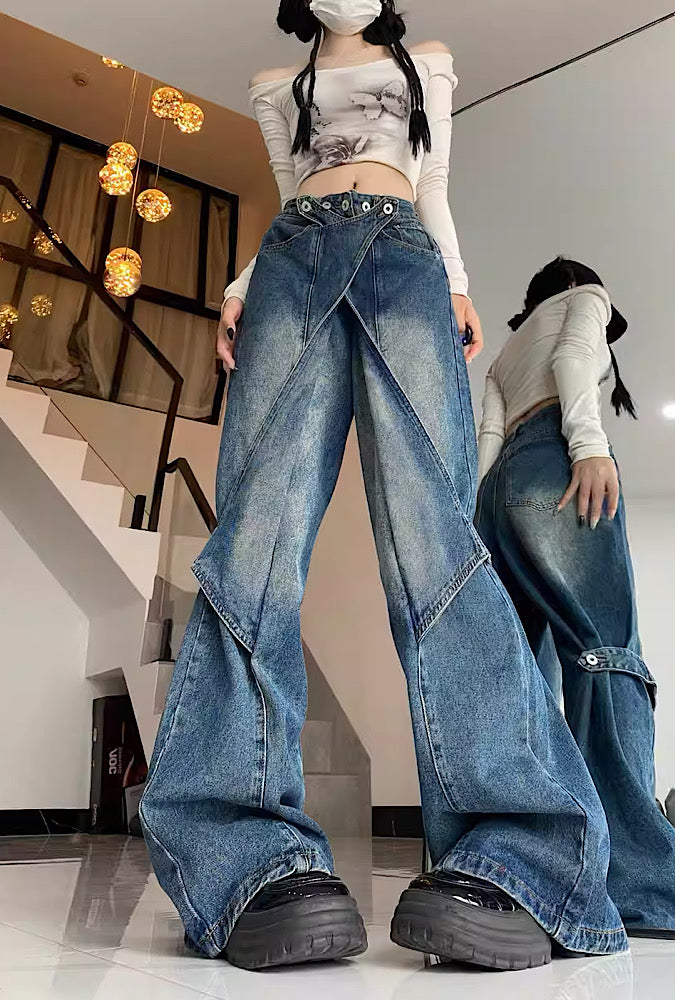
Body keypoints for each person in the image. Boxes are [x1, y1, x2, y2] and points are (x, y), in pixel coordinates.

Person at [140, 4, 629, 972]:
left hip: (407, 257)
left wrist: (458, 281)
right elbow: (294, 192)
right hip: (290, 264)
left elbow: (429, 178)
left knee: (436, 542)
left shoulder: (425, 61)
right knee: (253, 543)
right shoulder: (278, 89)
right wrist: (239, 286)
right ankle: (243, 857)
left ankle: (519, 851)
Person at [474, 256, 675, 936]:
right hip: (553, 462)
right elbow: (576, 358)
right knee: (606, 657)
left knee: (521, 684)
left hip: (498, 498)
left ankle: (530, 871)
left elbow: (487, 444)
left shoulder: (504, 356)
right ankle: (648, 888)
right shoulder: (586, 297)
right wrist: (588, 445)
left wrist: (477, 528)